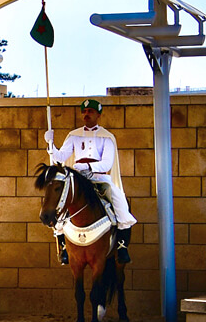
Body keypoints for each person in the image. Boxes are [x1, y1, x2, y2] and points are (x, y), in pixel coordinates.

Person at [45, 98, 137, 264]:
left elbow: (106, 163)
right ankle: (64, 246)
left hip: (99, 177)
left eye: (91, 112)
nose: (86, 114)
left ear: (98, 114)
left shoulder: (106, 137)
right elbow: (60, 157)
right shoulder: (74, 136)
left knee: (119, 199)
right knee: (61, 201)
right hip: (78, 179)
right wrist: (51, 145)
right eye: (85, 112)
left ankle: (122, 246)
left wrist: (87, 166)